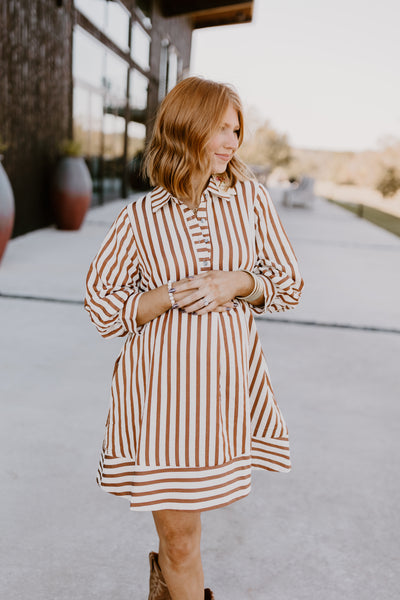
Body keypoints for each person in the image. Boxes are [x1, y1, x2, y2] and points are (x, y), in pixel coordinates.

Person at [85, 76, 303, 600]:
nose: (232, 141)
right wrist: (169, 295)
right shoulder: (139, 217)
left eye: (236, 130)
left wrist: (238, 282)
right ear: (186, 128)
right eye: (220, 129)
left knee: (190, 537)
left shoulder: (250, 201)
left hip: (223, 393)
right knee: (179, 542)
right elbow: (101, 306)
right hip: (162, 402)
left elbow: (289, 284)